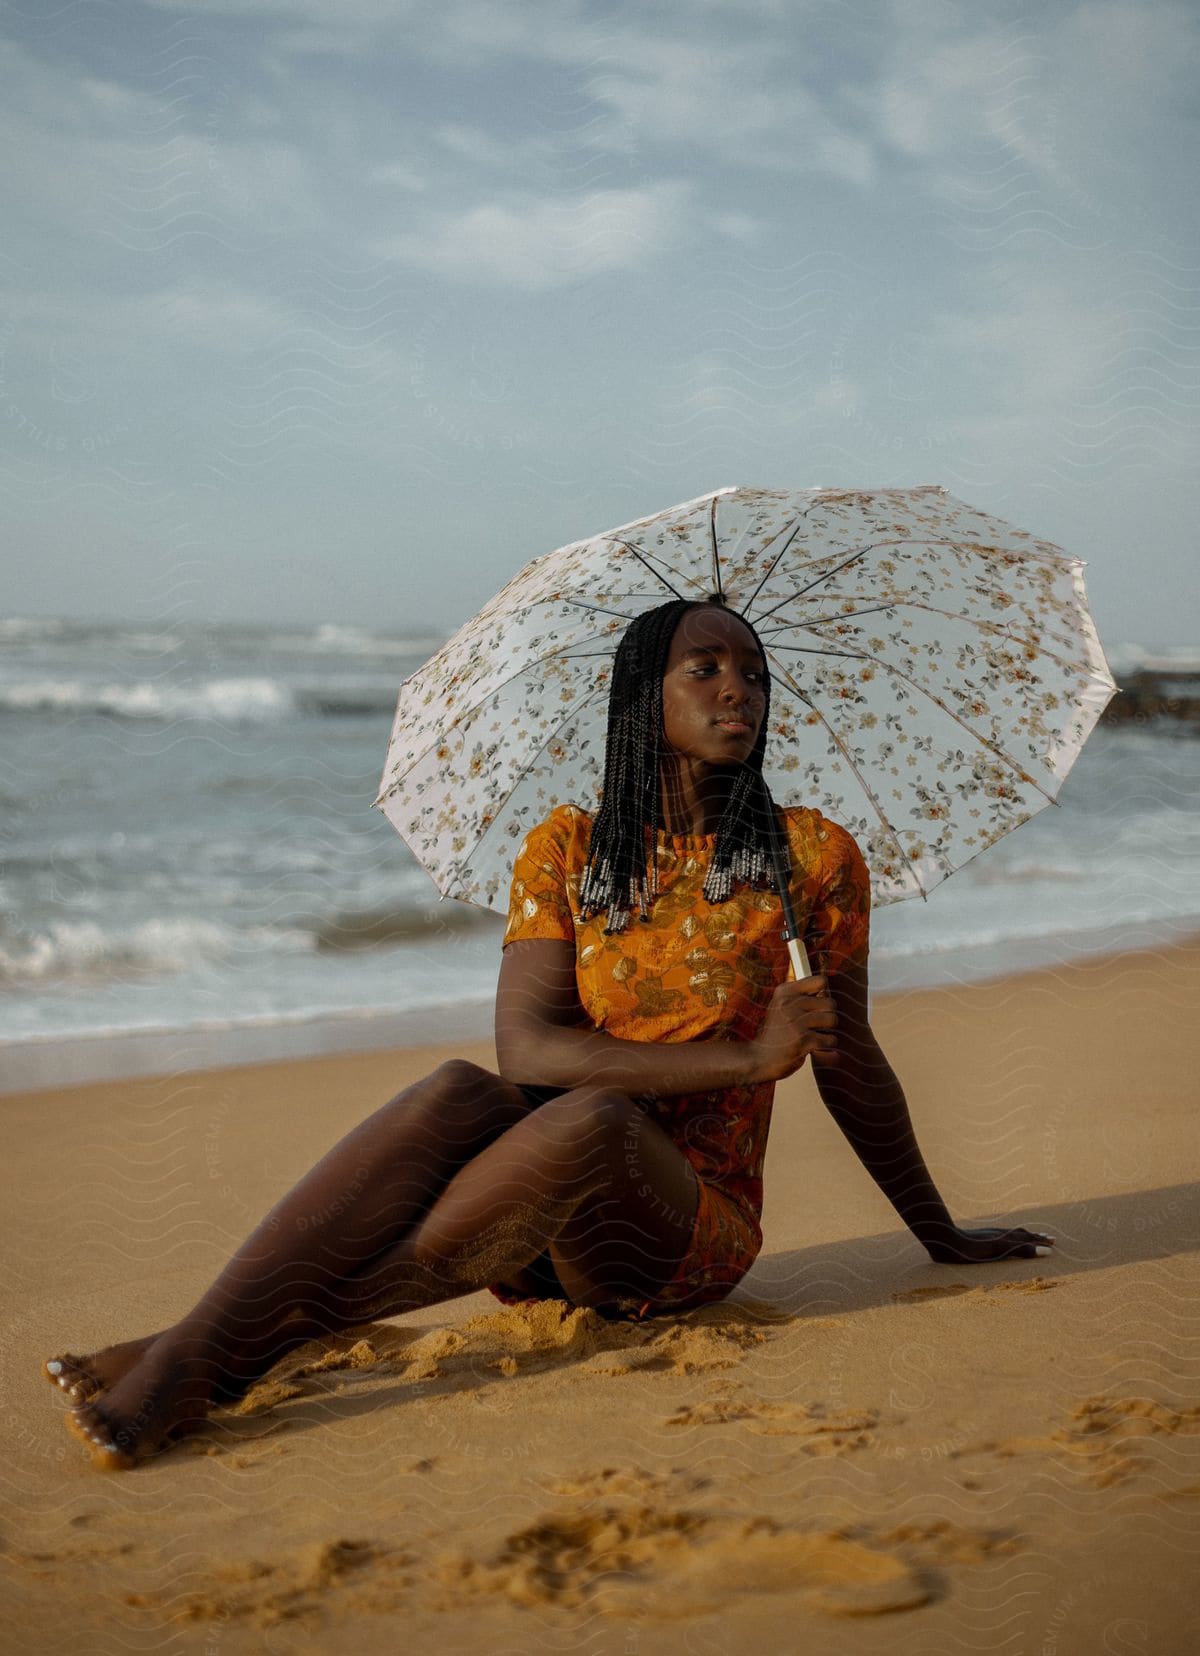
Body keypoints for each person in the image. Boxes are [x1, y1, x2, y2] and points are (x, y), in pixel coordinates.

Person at [48, 599, 1054, 1470]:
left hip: (677, 1237)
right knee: (458, 1091)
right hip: (521, 1224)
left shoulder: (808, 859)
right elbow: (526, 1052)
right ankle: (201, 1351)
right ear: (642, 701)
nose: (737, 690)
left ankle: (194, 1358)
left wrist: (940, 1232)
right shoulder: (568, 848)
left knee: (598, 1124)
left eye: (753, 673)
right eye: (703, 669)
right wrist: (748, 1057)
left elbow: (853, 1063)